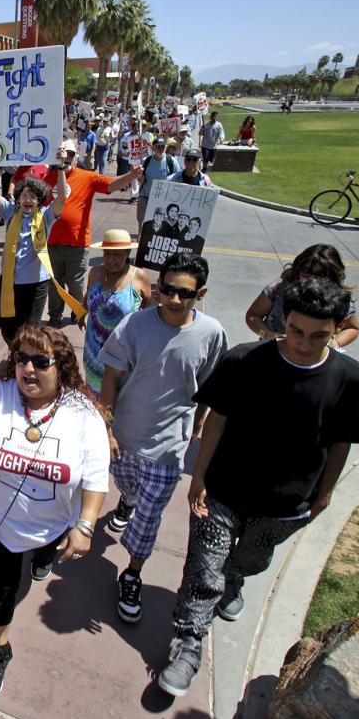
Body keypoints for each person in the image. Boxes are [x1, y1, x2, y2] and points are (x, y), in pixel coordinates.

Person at [157, 280, 359, 697]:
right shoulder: (244, 360)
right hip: (223, 489)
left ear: (337, 330)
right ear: (283, 321)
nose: (303, 343)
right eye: (296, 330)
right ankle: (188, 644)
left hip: (287, 504)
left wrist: (326, 492)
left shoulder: (353, 381)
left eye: (319, 335)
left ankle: (236, 579)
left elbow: (341, 441)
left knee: (248, 560)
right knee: (205, 569)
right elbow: (218, 418)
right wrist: (199, 475)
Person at [0, 325, 108, 699]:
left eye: (41, 361)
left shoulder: (82, 414)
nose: (29, 369)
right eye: (22, 359)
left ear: (61, 366)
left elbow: (97, 478)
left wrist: (84, 526)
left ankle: (42, 558)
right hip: (1, 529)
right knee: (0, 593)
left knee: (42, 559)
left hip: (53, 526)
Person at [97, 254, 228, 623]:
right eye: (167, 290)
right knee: (131, 491)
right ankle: (127, 501)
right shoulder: (134, 325)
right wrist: (106, 427)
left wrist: (197, 427)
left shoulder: (212, 334)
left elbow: (211, 390)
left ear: (200, 293)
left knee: (149, 516)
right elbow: (111, 377)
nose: (173, 299)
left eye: (183, 293)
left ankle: (133, 572)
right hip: (123, 437)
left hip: (169, 448)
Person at [40, 141, 143, 327]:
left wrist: (132, 175)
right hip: (51, 242)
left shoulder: (87, 177)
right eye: (62, 155)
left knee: (76, 283)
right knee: (54, 284)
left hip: (77, 244)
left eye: (70, 154)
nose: (66, 158)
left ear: (76, 156)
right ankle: (55, 316)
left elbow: (112, 185)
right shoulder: (47, 179)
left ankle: (78, 311)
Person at [0, 162, 65, 345]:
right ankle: (15, 358)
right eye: (24, 195)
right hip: (10, 280)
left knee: (31, 330)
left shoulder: (46, 216)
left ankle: (24, 363)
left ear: (40, 200)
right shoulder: (10, 212)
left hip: (36, 284)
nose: (28, 200)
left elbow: (62, 198)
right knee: (8, 327)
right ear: (18, 198)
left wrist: (62, 169)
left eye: (33, 197)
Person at [245, 243, 359, 349]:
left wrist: (335, 344)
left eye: (320, 274)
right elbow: (253, 315)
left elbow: (352, 328)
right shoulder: (281, 287)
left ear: (332, 276)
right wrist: (267, 334)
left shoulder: (338, 298)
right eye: (306, 271)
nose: (312, 278)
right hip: (276, 350)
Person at [80, 229, 151, 396]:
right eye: (108, 254)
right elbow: (88, 295)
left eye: (118, 255)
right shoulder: (95, 272)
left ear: (127, 253)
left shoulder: (139, 277)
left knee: (118, 398)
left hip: (122, 354)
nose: (111, 260)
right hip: (93, 352)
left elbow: (148, 309)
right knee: (94, 395)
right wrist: (82, 313)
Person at [136, 137, 179, 225]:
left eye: (162, 147)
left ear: (166, 147)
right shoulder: (146, 161)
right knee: (142, 224)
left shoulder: (172, 162)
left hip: (163, 200)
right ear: (153, 148)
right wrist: (138, 175)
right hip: (145, 198)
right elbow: (141, 179)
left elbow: (179, 178)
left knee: (160, 227)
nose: (160, 149)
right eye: (158, 147)